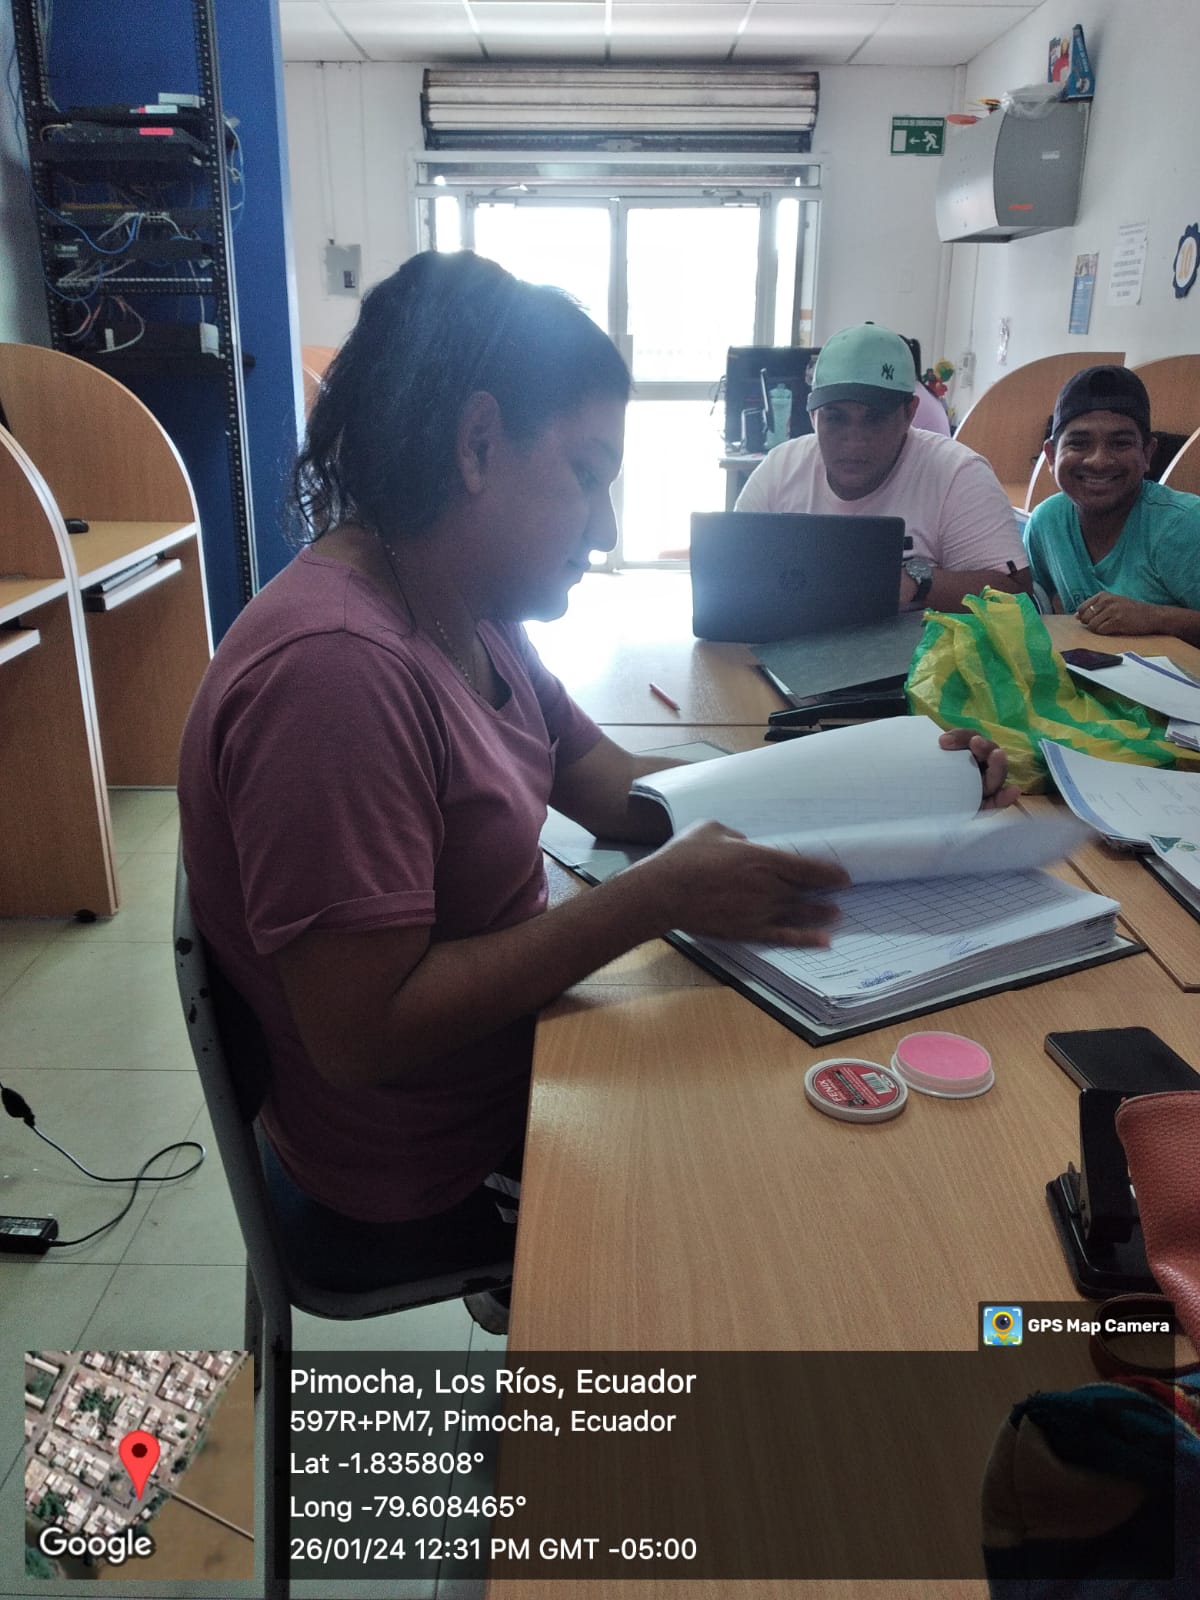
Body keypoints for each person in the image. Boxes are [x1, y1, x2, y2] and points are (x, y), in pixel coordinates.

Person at [178, 252, 1015, 1334]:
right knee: (817, 1214)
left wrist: (878, 779)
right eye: (587, 473)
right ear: (477, 444)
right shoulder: (335, 673)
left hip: (509, 1067)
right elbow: (362, 1033)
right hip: (430, 1165)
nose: (609, 528)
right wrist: (649, 898)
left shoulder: (462, 605)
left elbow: (615, 789)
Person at [736, 322, 1029, 612]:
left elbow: (1018, 599)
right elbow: (731, 574)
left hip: (918, 643)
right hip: (795, 639)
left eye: (874, 418)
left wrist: (917, 581)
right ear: (813, 415)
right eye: (835, 418)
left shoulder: (958, 474)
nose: (854, 442)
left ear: (909, 414)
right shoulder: (779, 470)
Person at [1024, 365, 1200, 644]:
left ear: (1147, 454)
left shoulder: (1184, 524)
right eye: (1079, 443)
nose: (1099, 461)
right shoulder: (1046, 521)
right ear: (1051, 455)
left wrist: (1156, 618)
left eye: (1120, 443)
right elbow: (1030, 600)